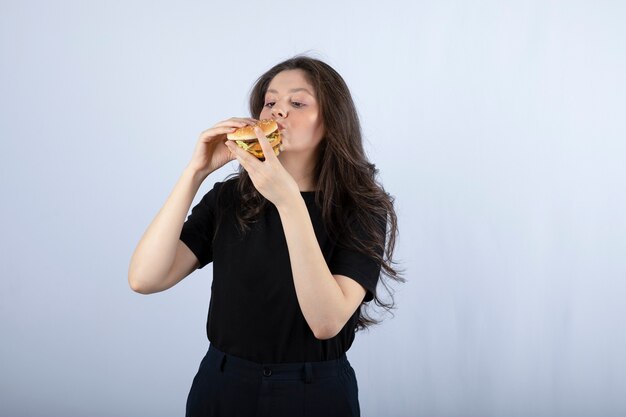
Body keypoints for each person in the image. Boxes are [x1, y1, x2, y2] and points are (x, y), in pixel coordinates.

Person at [128, 55, 401, 417]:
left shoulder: (361, 208)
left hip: (315, 391)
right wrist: (195, 172)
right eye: (270, 102)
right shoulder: (229, 199)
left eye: (297, 102)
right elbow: (144, 279)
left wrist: (288, 201)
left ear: (332, 121)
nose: (277, 112)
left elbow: (326, 322)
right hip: (222, 385)